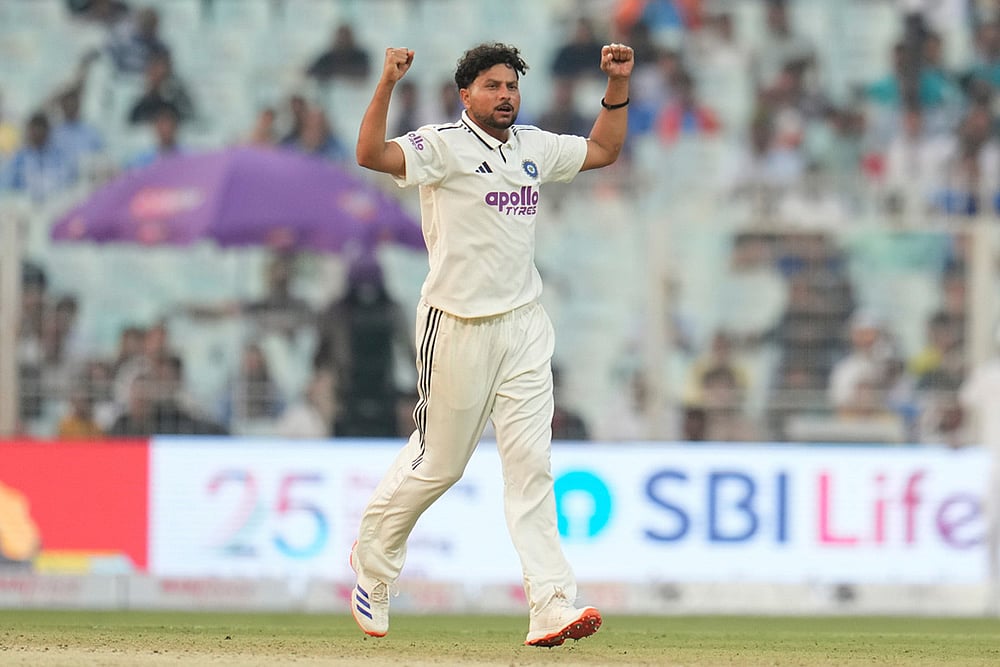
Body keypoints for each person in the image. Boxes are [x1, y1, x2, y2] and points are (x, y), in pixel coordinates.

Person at [351, 40, 633, 646]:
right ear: (466, 94)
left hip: (524, 326)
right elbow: (370, 154)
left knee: (531, 468)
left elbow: (604, 149)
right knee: (439, 465)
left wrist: (616, 85)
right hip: (456, 325)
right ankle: (372, 565)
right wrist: (388, 82)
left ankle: (551, 604)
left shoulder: (532, 146)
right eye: (492, 86)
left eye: (512, 86)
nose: (505, 96)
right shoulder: (441, 145)